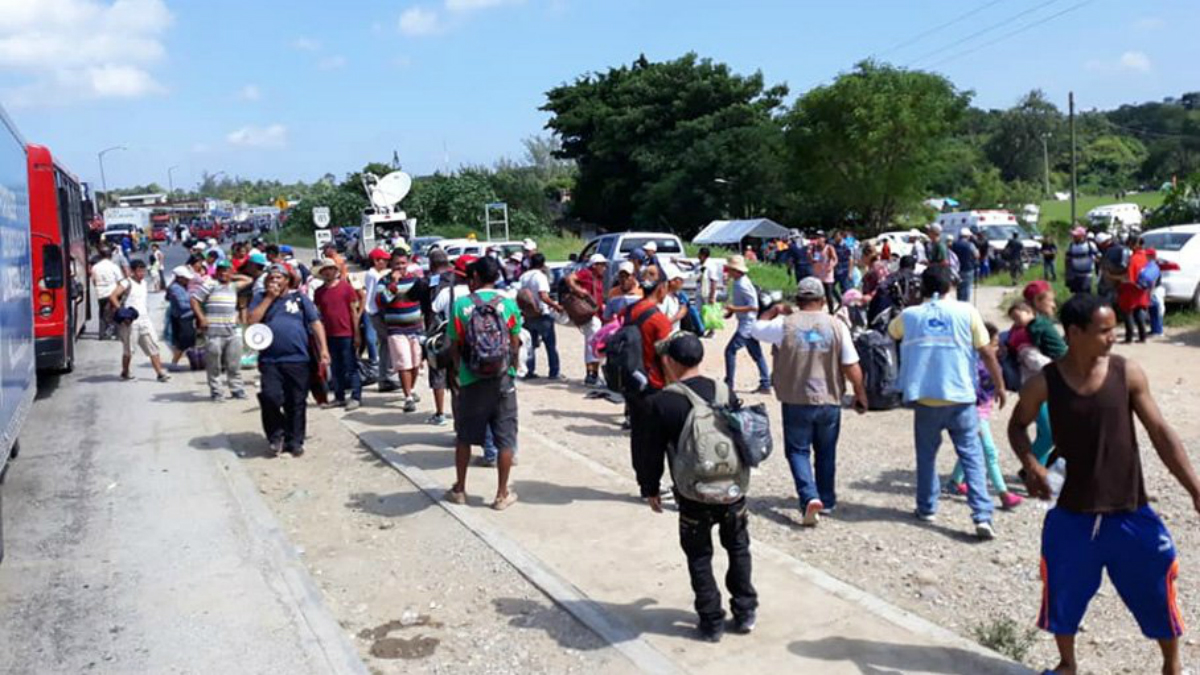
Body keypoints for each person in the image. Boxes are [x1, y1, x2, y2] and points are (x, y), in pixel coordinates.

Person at [1007, 293, 1200, 675]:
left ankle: (1172, 666)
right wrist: (1030, 464)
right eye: (1105, 330)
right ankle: (1067, 664)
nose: (1115, 336)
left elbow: (1161, 432)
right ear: (1075, 333)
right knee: (1062, 590)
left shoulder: (1126, 373)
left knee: (1157, 587)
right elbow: (1017, 425)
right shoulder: (1045, 382)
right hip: (1072, 513)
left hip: (1129, 510)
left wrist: (1195, 489)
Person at [635, 332, 757, 643]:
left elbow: (650, 451)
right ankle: (745, 611)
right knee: (738, 547)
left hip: (693, 493)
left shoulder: (662, 402)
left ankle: (711, 620)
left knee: (700, 556)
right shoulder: (724, 392)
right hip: (732, 489)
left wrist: (649, 487)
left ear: (670, 361)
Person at [889, 266, 1006, 539]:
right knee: (972, 455)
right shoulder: (967, 312)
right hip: (961, 395)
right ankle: (982, 515)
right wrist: (999, 385)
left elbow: (892, 332)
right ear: (950, 286)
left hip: (926, 396)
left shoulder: (910, 315)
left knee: (927, 455)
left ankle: (927, 507)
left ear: (921, 287)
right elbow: (986, 351)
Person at [752, 277, 867, 525]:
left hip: (795, 399)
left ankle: (809, 496)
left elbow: (754, 329)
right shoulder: (837, 326)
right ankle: (827, 499)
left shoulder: (783, 325)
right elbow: (851, 365)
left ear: (798, 299)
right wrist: (860, 394)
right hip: (829, 399)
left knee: (797, 451)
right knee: (826, 451)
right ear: (823, 300)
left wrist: (772, 310)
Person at [444, 256, 522, 511]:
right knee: (506, 438)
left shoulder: (461, 305)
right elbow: (514, 342)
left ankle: (460, 489)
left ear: (475, 278)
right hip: (502, 379)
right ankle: (501, 495)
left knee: (464, 437)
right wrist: (511, 369)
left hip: (470, 379)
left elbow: (454, 344)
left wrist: (457, 373)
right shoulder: (508, 304)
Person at [248, 265, 330, 457]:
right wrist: (269, 297)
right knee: (270, 396)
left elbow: (315, 323)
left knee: (296, 401)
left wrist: (324, 349)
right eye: (270, 277)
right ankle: (276, 434)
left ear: (288, 280)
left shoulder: (300, 299)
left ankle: (295, 441)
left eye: (278, 277)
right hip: (270, 359)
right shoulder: (260, 298)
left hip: (298, 358)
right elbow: (252, 321)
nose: (274, 280)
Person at [944, 322, 1023, 510]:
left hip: (981, 412)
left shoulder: (987, 363)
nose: (997, 347)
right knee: (989, 451)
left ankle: (955, 482)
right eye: (994, 343)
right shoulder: (972, 365)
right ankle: (1003, 493)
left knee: (972, 446)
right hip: (973, 413)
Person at [191, 260, 253, 401]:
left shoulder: (233, 286)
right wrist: (201, 317)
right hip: (213, 332)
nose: (223, 273)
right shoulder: (210, 285)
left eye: (226, 270)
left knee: (234, 364)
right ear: (216, 272)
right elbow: (194, 300)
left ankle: (236, 389)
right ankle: (217, 391)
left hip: (232, 331)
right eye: (221, 270)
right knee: (214, 365)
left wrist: (232, 275)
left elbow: (249, 279)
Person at [377, 248, 425, 412]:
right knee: (403, 362)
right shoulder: (383, 281)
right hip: (396, 329)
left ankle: (410, 389)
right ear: (391, 264)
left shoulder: (415, 280)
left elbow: (424, 298)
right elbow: (381, 301)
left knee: (415, 363)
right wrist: (393, 285)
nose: (400, 267)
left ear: (408, 263)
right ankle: (408, 397)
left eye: (403, 263)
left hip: (416, 328)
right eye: (397, 264)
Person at [313, 259, 363, 410]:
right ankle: (339, 396)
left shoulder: (346, 288)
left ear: (336, 271)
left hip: (346, 333)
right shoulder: (319, 292)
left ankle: (356, 396)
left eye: (331, 269)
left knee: (351, 366)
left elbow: (353, 312)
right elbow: (319, 315)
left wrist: (357, 334)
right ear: (321, 273)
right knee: (335, 368)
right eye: (325, 269)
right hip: (329, 334)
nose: (328, 272)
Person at [111, 260, 170, 383]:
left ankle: (160, 373)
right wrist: (123, 313)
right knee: (129, 350)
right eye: (139, 271)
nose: (141, 273)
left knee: (153, 345)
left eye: (143, 271)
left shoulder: (143, 283)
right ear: (133, 271)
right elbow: (113, 296)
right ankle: (125, 371)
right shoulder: (126, 283)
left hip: (144, 319)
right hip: (130, 321)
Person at [722, 255, 770, 394]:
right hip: (746, 322)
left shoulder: (742, 284)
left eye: (730, 269)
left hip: (747, 324)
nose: (728, 272)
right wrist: (732, 312)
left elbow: (753, 306)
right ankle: (765, 383)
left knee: (730, 351)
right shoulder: (738, 282)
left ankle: (729, 383)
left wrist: (733, 309)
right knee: (756, 353)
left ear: (735, 270)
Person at [424, 250, 458, 425]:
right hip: (461, 335)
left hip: (442, 333)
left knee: (438, 372)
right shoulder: (459, 279)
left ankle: (440, 413)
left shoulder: (433, 281)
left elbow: (432, 310)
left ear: (431, 264)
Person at [564, 253, 609, 386]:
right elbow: (569, 278)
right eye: (602, 265)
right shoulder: (587, 273)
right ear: (595, 265)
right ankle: (591, 375)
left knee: (594, 344)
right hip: (591, 316)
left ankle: (593, 374)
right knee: (592, 344)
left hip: (596, 314)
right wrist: (578, 290)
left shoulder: (597, 277)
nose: (605, 268)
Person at [518, 252, 564, 381]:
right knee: (550, 345)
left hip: (528, 314)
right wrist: (556, 306)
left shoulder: (524, 276)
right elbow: (543, 296)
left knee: (530, 345)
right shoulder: (540, 276)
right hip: (541, 314)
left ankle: (529, 370)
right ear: (543, 264)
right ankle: (554, 372)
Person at [362, 248, 401, 393]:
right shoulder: (374, 275)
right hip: (376, 312)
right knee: (390, 343)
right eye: (384, 260)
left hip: (373, 312)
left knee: (385, 344)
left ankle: (383, 377)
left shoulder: (372, 274)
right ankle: (388, 375)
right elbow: (376, 296)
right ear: (376, 261)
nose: (386, 262)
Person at [1117, 237, 1151, 344]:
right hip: (1142, 289)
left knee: (1128, 313)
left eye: (1130, 244)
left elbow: (1128, 276)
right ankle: (1142, 337)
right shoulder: (1145, 257)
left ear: (1134, 244)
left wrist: (1114, 277)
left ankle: (1129, 338)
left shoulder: (1134, 258)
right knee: (1139, 312)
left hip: (1131, 290)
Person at [164, 265, 197, 367]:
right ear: (179, 278)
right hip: (183, 317)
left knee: (189, 341)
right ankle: (174, 363)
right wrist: (196, 305)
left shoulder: (182, 287)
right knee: (185, 341)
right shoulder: (176, 288)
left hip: (184, 317)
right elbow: (183, 305)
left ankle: (194, 362)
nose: (187, 280)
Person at [91, 247, 124, 340]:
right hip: (113, 292)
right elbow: (120, 280)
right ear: (110, 255)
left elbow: (94, 281)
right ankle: (116, 334)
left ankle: (102, 334)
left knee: (102, 313)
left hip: (101, 293)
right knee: (115, 313)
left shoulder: (95, 267)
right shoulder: (114, 266)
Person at [807, 231, 838, 312]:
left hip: (827, 274)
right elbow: (811, 261)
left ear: (824, 238)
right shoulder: (814, 248)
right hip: (817, 274)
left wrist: (831, 266)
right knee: (818, 294)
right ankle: (817, 310)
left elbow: (834, 259)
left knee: (828, 294)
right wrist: (809, 253)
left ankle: (831, 311)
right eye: (817, 237)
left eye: (820, 237)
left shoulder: (829, 248)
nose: (818, 239)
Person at [1064, 227, 1099, 295]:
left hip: (1087, 274)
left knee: (1085, 292)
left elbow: (1098, 256)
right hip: (1075, 274)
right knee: (1077, 293)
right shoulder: (1071, 245)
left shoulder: (1090, 245)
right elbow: (1067, 258)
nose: (1074, 237)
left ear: (1082, 236)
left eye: (1076, 236)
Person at [657, 262, 689, 332]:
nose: (682, 281)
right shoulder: (664, 299)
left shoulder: (675, 297)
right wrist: (679, 315)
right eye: (679, 279)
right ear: (672, 282)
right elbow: (659, 324)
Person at [950, 228, 978, 302]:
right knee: (966, 288)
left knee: (959, 288)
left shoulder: (954, 244)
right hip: (968, 269)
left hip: (956, 270)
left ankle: (959, 303)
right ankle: (965, 304)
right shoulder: (970, 245)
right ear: (968, 236)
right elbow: (976, 255)